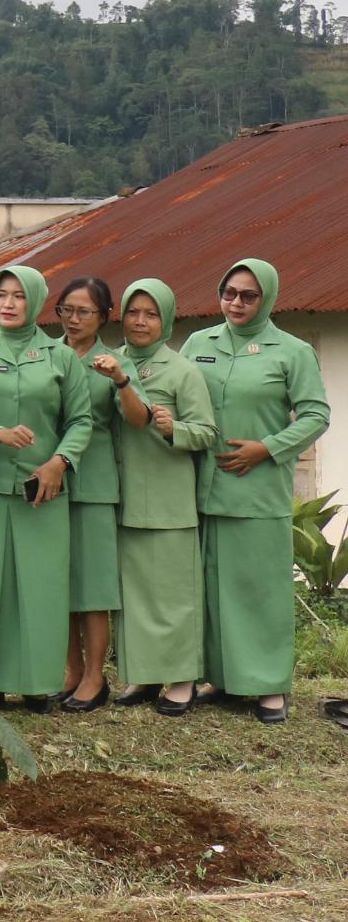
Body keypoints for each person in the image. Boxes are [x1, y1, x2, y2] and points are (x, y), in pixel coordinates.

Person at [182, 258, 331, 723]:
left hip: (257, 489)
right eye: (229, 292)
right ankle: (221, 678)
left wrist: (267, 448)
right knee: (211, 588)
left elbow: (315, 415)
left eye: (248, 295)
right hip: (202, 488)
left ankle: (268, 686)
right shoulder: (197, 342)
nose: (236, 303)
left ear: (267, 297)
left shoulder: (291, 351)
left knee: (260, 590)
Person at [0, 266, 93, 709]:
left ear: (34, 301)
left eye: (18, 296)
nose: (8, 303)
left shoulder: (59, 356)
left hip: (43, 492)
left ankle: (40, 685)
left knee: (42, 589)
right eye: (2, 295)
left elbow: (80, 421)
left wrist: (59, 462)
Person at [104, 280, 213, 715]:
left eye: (151, 314)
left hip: (169, 498)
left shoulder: (182, 370)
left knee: (174, 595)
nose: (141, 321)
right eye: (133, 312)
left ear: (166, 319)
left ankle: (183, 680)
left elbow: (206, 431)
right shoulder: (110, 362)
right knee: (135, 598)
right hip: (123, 493)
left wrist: (175, 429)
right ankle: (144, 677)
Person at [53, 277, 124, 711]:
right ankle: (70, 669)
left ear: (103, 316)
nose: (74, 319)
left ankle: (96, 677)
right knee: (59, 582)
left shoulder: (111, 364)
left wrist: (122, 381)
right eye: (67, 309)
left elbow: (134, 419)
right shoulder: (45, 355)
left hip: (94, 483)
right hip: (50, 481)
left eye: (84, 312)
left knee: (94, 586)